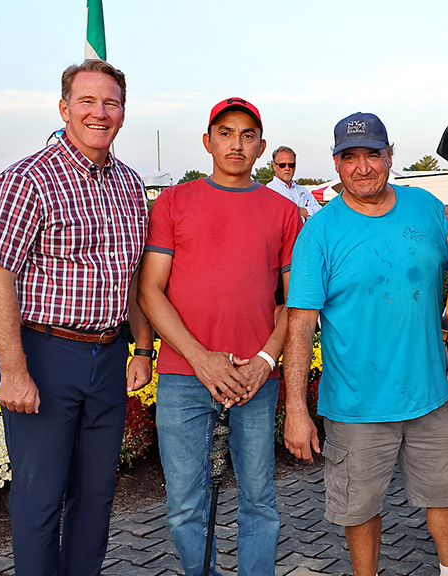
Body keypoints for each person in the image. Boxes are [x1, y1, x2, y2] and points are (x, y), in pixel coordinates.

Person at [0, 59, 153, 576]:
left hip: (109, 353)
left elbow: (135, 276)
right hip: (46, 355)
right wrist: (13, 369)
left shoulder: (129, 183)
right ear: (64, 108)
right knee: (39, 501)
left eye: (111, 103)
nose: (100, 113)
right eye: (88, 101)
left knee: (97, 497)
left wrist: (142, 348)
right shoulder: (26, 180)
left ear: (123, 112)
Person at [282, 112, 448, 576]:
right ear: (336, 163)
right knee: (359, 509)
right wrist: (296, 409)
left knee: (446, 497)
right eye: (350, 158)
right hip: (354, 406)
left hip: (428, 397)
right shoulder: (319, 233)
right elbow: (300, 324)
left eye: (372, 155)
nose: (362, 167)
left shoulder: (425, 208)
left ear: (390, 156)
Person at [138, 97, 302, 576]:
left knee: (259, 502)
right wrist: (200, 358)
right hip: (183, 377)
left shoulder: (283, 211)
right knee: (185, 505)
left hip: (255, 379)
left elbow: (292, 303)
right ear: (208, 141)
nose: (237, 143)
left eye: (248, 135)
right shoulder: (173, 202)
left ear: (262, 148)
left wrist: (266, 361)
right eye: (226, 133)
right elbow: (150, 289)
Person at [267, 145, 322, 220]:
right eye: (282, 165)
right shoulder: (269, 191)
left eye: (291, 165)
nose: (287, 168)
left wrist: (304, 211)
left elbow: (320, 212)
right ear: (274, 166)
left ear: (295, 166)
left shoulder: (302, 191)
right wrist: (303, 211)